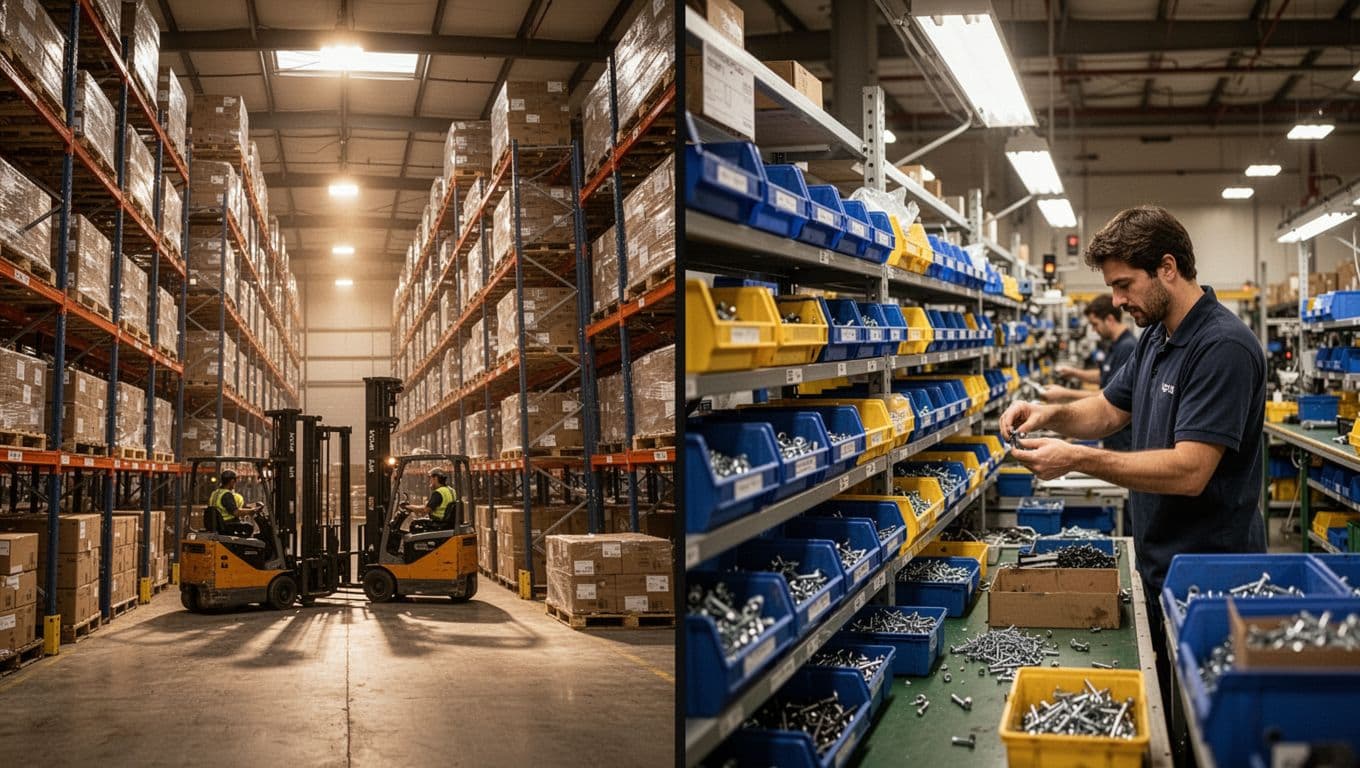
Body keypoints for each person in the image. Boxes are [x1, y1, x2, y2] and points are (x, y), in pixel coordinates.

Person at [1000, 205, 1265, 697]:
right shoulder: (1157, 338)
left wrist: (1077, 458)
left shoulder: (1222, 347)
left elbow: (1190, 470)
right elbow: (1107, 410)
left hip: (1212, 577)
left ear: (1167, 267)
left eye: (1124, 285)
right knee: (1167, 698)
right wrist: (1046, 413)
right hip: (1161, 562)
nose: (1118, 300)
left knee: (1202, 715)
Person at [1042, 294, 1138, 451]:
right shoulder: (1116, 344)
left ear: (1109, 319)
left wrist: (1064, 393)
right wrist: (1075, 373)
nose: (1093, 329)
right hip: (1113, 435)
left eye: (1095, 324)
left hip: (1123, 438)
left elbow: (1108, 395)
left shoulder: (1127, 347)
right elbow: (1105, 376)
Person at [399, 467, 458, 533]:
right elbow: (429, 506)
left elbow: (425, 510)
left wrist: (408, 507)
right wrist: (412, 507)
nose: (430, 481)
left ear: (435, 478)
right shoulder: (452, 490)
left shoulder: (438, 492)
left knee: (415, 524)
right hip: (449, 523)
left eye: (431, 478)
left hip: (440, 523)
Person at [208, 469, 262, 537]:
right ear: (232, 481)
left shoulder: (215, 493)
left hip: (219, 524)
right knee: (249, 527)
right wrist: (252, 511)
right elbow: (236, 512)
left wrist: (253, 506)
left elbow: (236, 506)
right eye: (235, 482)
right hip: (227, 524)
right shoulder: (227, 495)